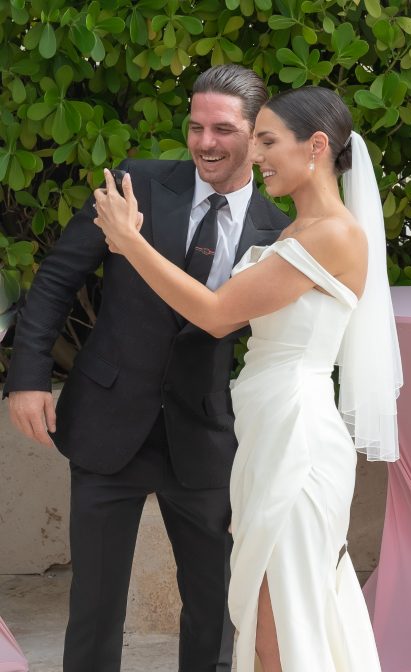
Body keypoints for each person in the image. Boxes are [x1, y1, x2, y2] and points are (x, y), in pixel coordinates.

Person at [93, 85, 403, 672]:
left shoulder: (333, 235)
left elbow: (216, 314)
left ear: (316, 146)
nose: (255, 156)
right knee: (269, 624)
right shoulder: (295, 232)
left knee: (283, 627)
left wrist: (131, 243)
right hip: (267, 435)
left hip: (297, 441)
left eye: (267, 141)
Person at [4, 65, 290, 672]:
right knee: (95, 606)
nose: (205, 142)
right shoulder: (136, 183)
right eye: (195, 127)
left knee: (214, 608)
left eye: (223, 129)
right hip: (106, 422)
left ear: (256, 132)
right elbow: (56, 280)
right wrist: (26, 379)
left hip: (205, 437)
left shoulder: (278, 231)